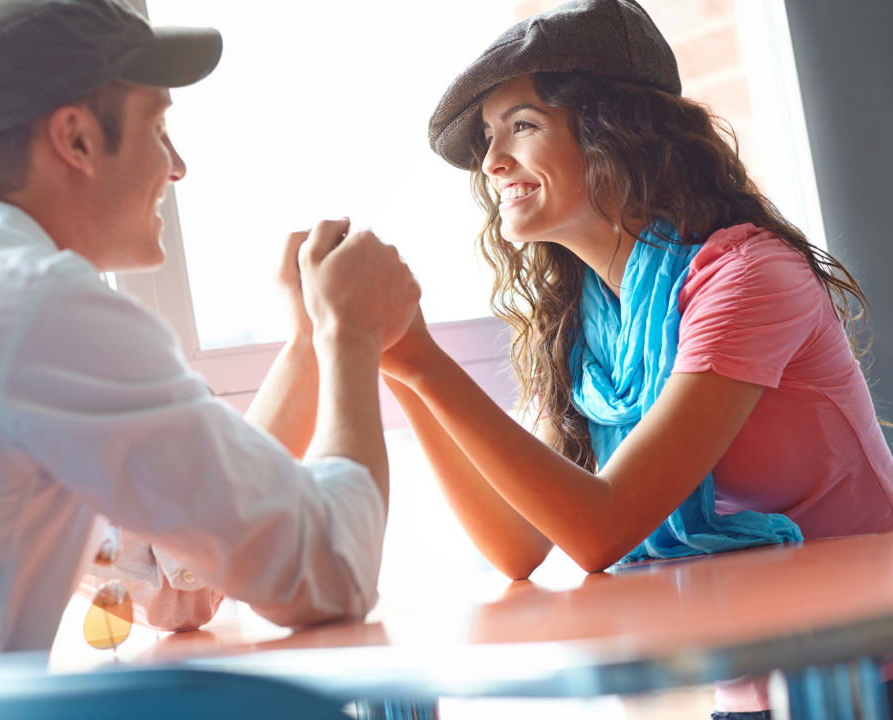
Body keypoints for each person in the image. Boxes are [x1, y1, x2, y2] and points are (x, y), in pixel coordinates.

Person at [0, 0, 420, 717]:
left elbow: (173, 586)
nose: (179, 167)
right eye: (159, 128)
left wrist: (308, 347)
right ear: (75, 139)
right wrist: (348, 332)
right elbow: (332, 572)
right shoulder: (41, 308)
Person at [375, 0, 893, 716]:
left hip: (873, 667)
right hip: (755, 682)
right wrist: (402, 360)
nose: (491, 163)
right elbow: (518, 544)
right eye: (489, 138)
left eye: (520, 126)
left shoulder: (746, 277)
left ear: (614, 130)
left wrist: (432, 366)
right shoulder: (596, 328)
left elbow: (601, 526)